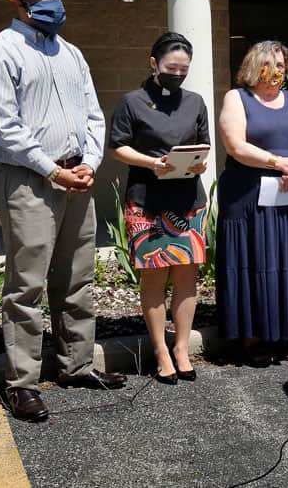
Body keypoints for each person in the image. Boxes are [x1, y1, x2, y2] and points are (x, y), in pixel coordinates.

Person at [0, 0, 125, 423]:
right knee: (26, 285)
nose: (52, 1)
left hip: (77, 177)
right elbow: (3, 127)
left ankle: (75, 365)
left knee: (77, 276)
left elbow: (94, 115)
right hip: (30, 181)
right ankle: (21, 383)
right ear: (19, 0)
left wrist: (90, 163)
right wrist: (52, 170)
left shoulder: (72, 53)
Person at [216, 40, 288, 365]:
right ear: (254, 65)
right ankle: (253, 338)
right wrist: (279, 163)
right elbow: (235, 145)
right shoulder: (237, 98)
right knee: (256, 260)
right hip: (249, 197)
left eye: (282, 66)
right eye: (271, 64)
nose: (277, 72)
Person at [109, 32, 210, 384]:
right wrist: (151, 163)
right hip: (147, 202)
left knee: (186, 275)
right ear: (154, 63)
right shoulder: (132, 102)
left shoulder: (195, 101)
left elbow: (204, 145)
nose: (178, 74)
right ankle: (160, 350)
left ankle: (181, 347)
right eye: (171, 67)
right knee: (154, 277)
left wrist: (198, 164)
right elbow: (117, 147)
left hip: (188, 201)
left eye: (184, 69)